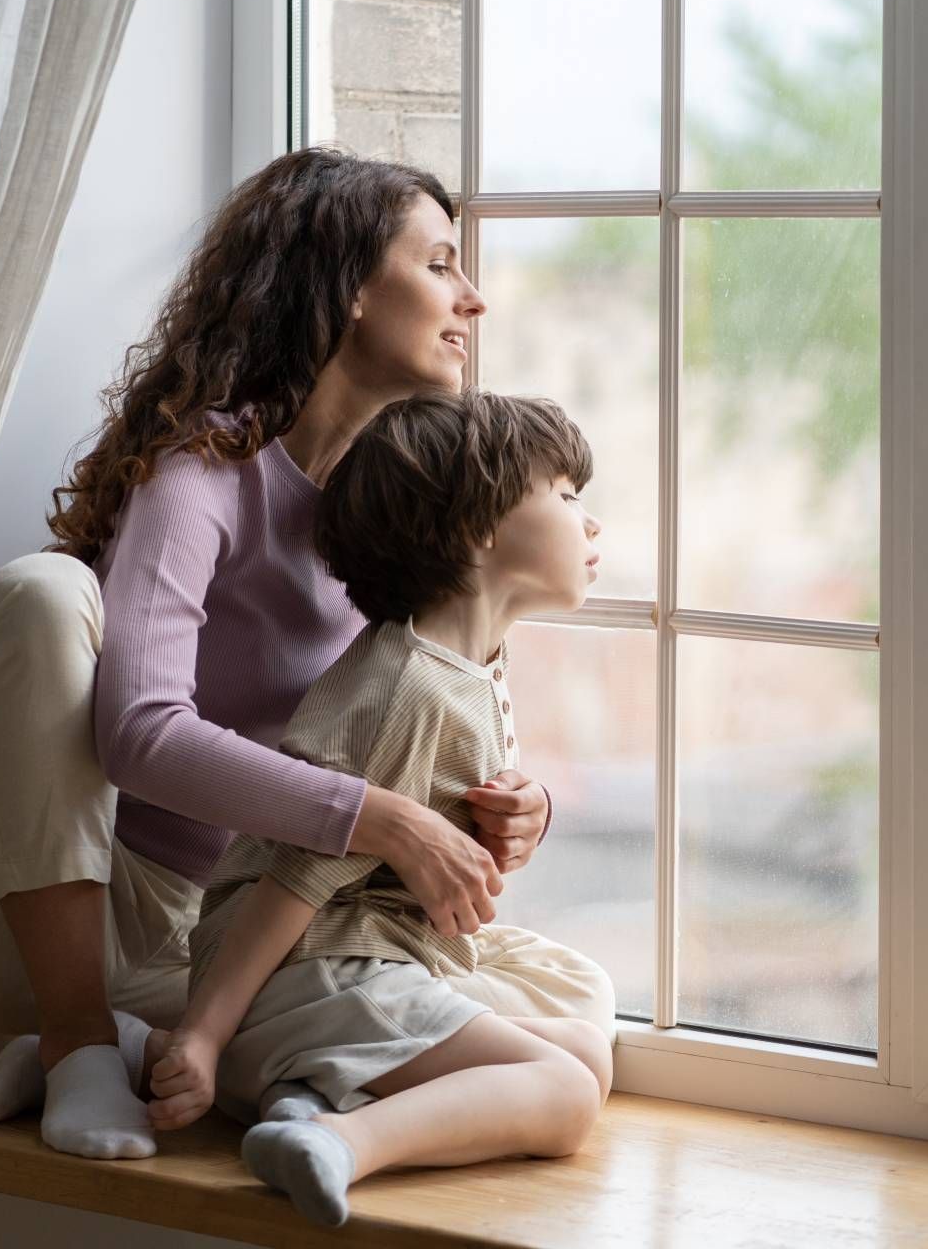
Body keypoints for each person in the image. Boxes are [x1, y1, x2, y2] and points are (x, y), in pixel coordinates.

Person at [0, 150, 614, 1163]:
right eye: (442, 263)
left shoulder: (407, 520)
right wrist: (386, 818)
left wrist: (500, 811)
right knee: (40, 595)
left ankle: (185, 1055)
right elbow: (141, 731)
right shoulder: (205, 474)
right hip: (76, 899)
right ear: (351, 290)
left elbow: (404, 728)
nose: (475, 297)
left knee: (579, 997)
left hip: (237, 932)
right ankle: (76, 1037)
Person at [146, 392, 611, 1227]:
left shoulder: (463, 667)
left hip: (368, 965)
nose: (592, 523)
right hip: (314, 971)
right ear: (478, 531)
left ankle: (286, 1092)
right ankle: (337, 1140)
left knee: (586, 1049)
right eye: (568, 496)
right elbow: (295, 874)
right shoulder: (410, 686)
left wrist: (518, 806)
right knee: (569, 1096)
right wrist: (205, 1035)